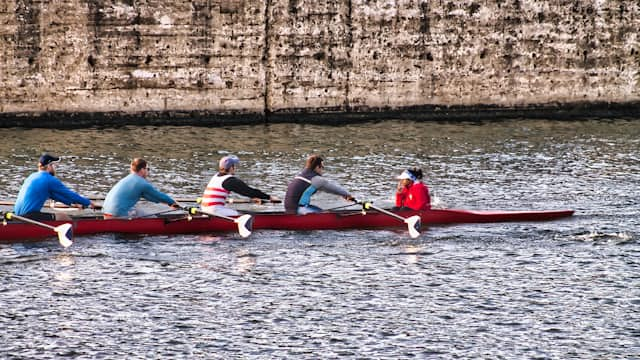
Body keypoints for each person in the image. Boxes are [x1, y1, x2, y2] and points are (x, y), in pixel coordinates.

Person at [13, 153, 96, 221]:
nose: (55, 168)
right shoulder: (49, 179)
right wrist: (88, 202)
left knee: (58, 216)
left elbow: (56, 197)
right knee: (63, 217)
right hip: (28, 217)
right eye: (54, 165)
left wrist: (73, 203)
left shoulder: (32, 176)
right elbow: (69, 194)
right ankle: (77, 233)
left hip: (16, 215)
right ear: (49, 166)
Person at [200, 155, 279, 216]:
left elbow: (245, 192)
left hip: (204, 210)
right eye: (234, 166)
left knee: (238, 212)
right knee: (246, 215)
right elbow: (249, 191)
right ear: (231, 168)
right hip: (215, 211)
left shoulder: (216, 176)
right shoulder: (229, 180)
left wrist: (253, 198)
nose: (235, 168)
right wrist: (269, 197)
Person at [102, 158, 179, 218]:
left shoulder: (127, 179)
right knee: (152, 218)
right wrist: (172, 202)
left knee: (137, 209)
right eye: (147, 169)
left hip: (106, 213)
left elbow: (151, 197)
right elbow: (158, 195)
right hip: (118, 215)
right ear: (142, 170)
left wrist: (169, 203)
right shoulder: (142, 183)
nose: (148, 171)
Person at [284, 155, 355, 214]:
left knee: (324, 212)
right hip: (299, 209)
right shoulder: (316, 179)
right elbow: (332, 188)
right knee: (327, 215)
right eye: (322, 167)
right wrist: (347, 194)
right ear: (317, 167)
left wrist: (343, 195)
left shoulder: (300, 176)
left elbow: (328, 190)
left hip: (289, 209)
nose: (322, 170)